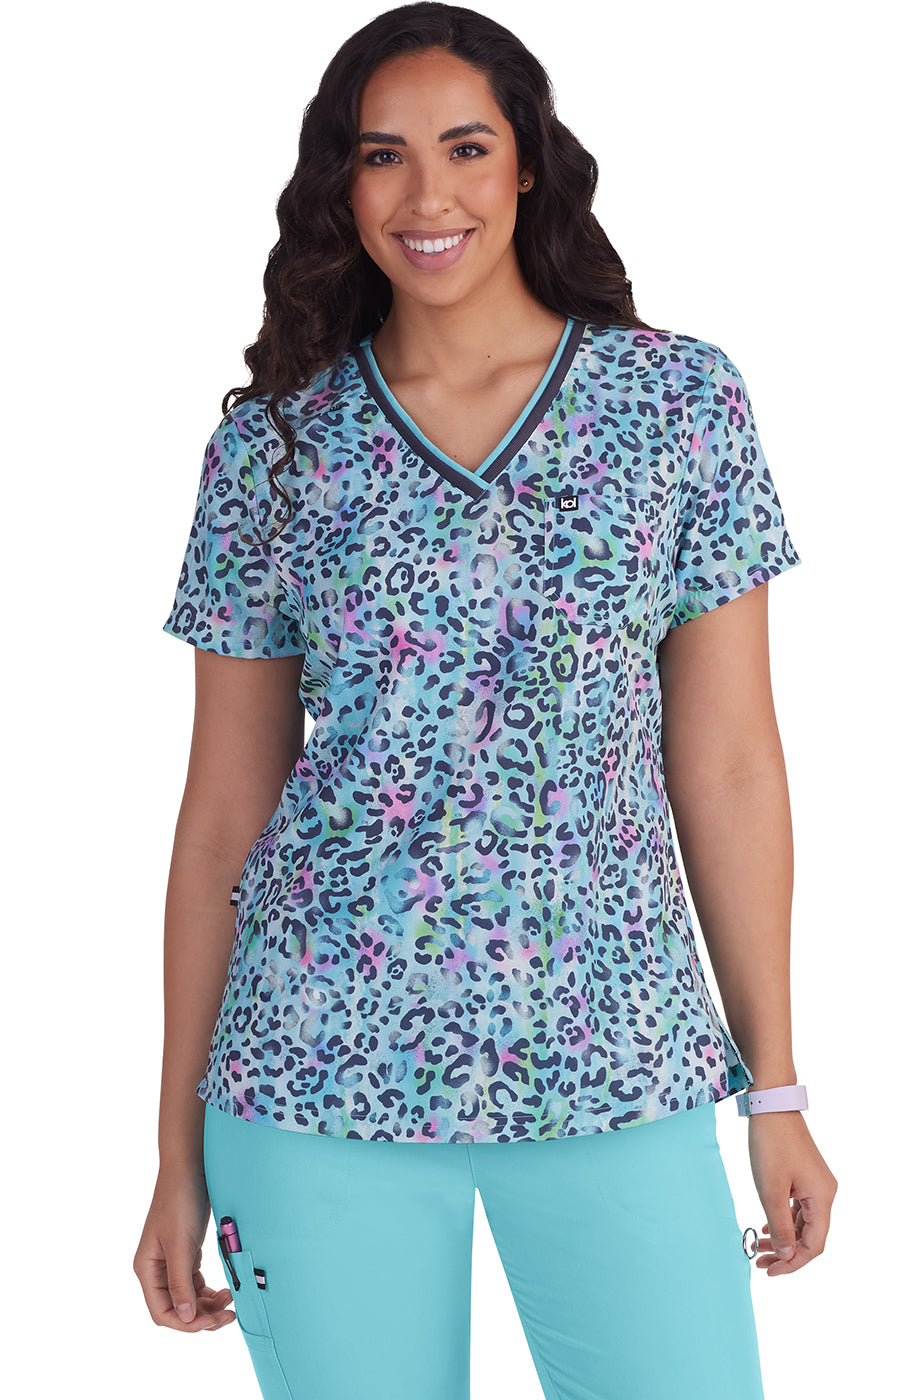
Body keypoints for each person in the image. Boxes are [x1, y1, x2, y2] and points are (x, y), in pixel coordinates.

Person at [133, 4, 838, 1397]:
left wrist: (777, 1089)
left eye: (464, 147)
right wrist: (174, 1149)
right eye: (381, 155)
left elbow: (731, 766)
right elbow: (222, 819)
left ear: (527, 164)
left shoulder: (678, 404)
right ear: (340, 184)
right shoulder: (276, 446)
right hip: (314, 1072)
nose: (427, 195)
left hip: (618, 1061)